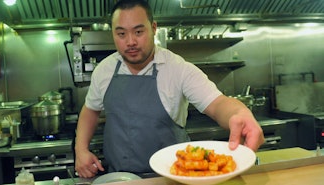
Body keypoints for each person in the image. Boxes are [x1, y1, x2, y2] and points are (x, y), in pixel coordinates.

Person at [75, 0, 264, 178]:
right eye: (121, 34)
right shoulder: (104, 70)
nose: (130, 41)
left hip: (173, 177)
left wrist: (240, 113)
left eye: (139, 32)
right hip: (120, 177)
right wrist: (81, 148)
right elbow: (90, 109)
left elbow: (218, 103)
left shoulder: (177, 69)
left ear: (154, 28)